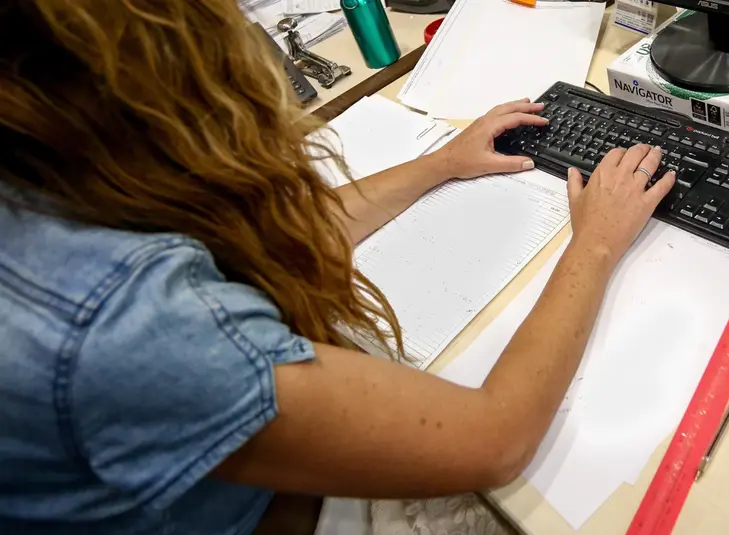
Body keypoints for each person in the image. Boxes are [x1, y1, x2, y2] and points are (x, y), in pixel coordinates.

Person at [0, 2, 675, 535]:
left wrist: (439, 162)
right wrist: (594, 243)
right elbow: (495, 438)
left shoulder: (41, 188)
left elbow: (283, 234)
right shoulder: (120, 323)